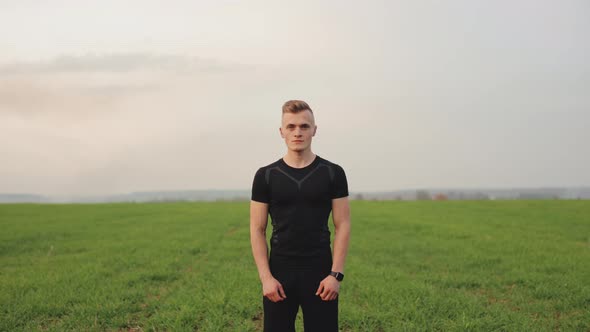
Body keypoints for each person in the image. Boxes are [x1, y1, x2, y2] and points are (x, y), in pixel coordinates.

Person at [250, 100, 351, 332]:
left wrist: (335, 275)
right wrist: (266, 278)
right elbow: (257, 229)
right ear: (281, 132)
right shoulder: (265, 176)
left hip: (321, 273)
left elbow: (343, 224)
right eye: (291, 126)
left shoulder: (333, 173)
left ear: (314, 130)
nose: (298, 132)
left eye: (304, 126)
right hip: (279, 273)